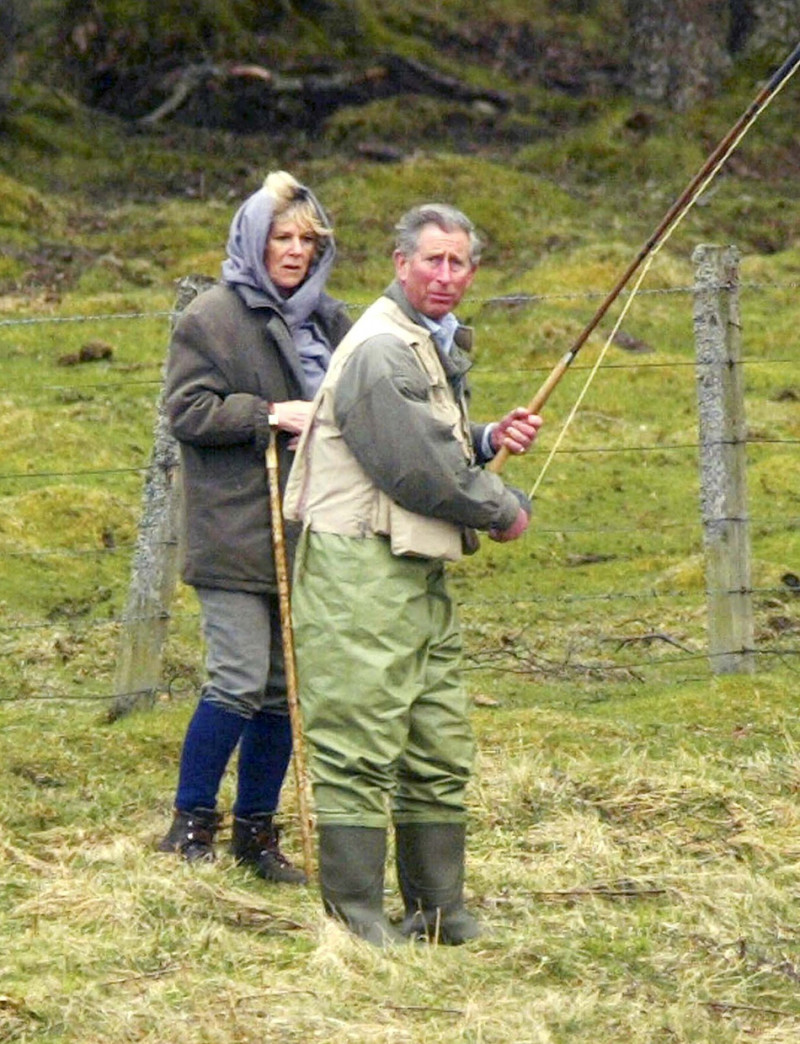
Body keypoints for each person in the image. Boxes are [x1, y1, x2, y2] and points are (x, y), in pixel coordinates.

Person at [284, 202, 542, 942]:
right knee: (359, 741)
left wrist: (487, 438)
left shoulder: (429, 343)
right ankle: (358, 920)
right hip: (358, 569)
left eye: (459, 262)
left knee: (437, 743)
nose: (446, 275)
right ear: (400, 263)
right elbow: (418, 469)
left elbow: (439, 442)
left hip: (417, 571)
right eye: (432, 259)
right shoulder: (380, 350)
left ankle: (439, 911)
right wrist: (502, 509)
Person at [157, 171, 351, 883]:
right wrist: (269, 413)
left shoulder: (333, 324)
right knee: (237, 677)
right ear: (252, 239)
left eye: (308, 239)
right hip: (234, 527)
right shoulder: (210, 318)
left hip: (309, 528)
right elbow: (188, 412)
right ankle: (189, 823)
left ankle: (256, 836)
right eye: (282, 237)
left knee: (281, 688)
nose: (295, 251)